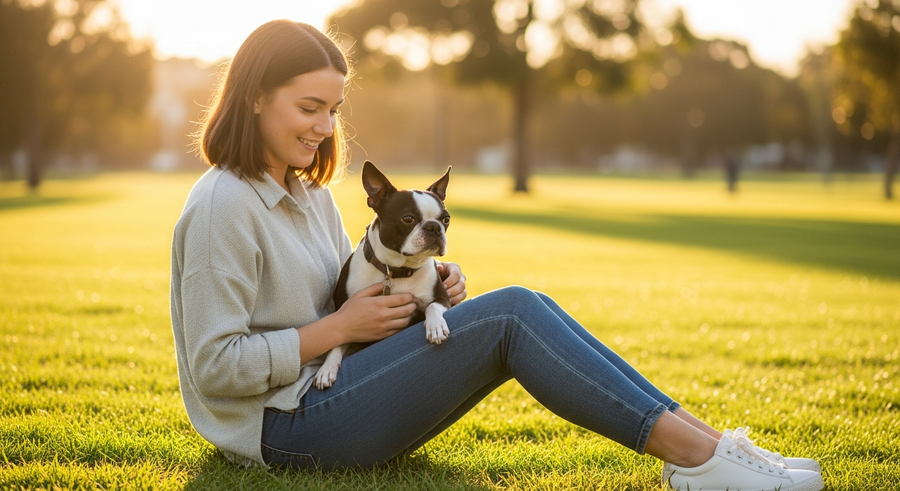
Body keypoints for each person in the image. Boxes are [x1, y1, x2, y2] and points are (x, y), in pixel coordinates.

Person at [169, 20, 823, 491]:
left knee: (523, 306)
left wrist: (421, 284)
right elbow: (215, 368)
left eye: (333, 110)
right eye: (308, 107)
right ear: (255, 96)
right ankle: (703, 463)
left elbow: (349, 295)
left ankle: (714, 449)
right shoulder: (222, 206)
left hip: (333, 390)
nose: (323, 127)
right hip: (285, 430)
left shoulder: (308, 194)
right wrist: (337, 330)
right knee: (511, 313)